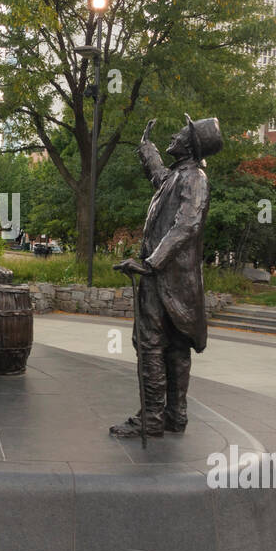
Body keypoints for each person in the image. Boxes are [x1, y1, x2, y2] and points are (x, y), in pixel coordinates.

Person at [109, 115, 223, 439]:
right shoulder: (179, 176)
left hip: (166, 279)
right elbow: (159, 175)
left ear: (190, 145)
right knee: (174, 347)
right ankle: (175, 415)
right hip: (171, 281)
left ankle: (152, 418)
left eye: (181, 133)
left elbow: (188, 224)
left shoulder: (195, 178)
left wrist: (151, 263)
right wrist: (147, 148)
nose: (175, 134)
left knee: (150, 345)